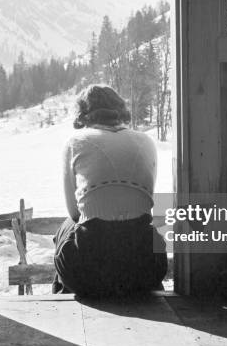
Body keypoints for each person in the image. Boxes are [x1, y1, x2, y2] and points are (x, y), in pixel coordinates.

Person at [52, 84, 167, 297]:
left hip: (88, 272)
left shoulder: (75, 143)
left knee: (66, 228)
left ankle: (64, 301)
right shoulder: (147, 142)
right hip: (147, 267)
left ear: (82, 113)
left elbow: (74, 213)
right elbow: (146, 206)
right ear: (120, 108)